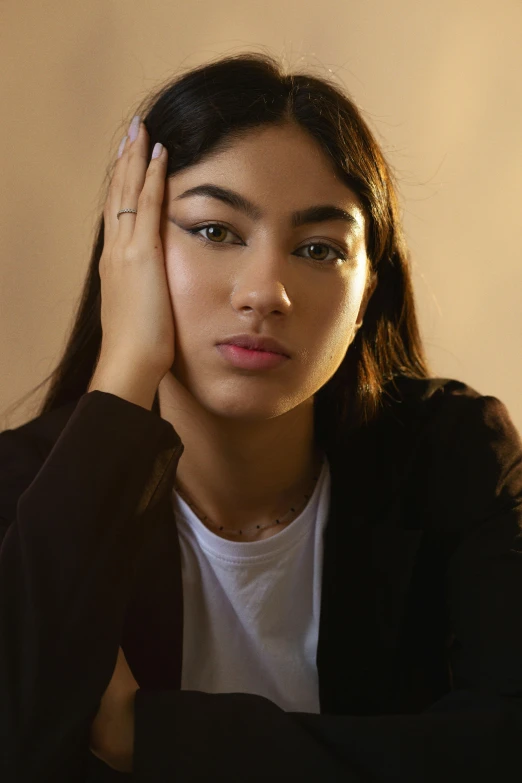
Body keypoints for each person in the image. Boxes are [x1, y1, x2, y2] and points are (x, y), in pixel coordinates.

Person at [1, 51, 521, 782]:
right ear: (130, 254)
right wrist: (123, 368)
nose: (263, 292)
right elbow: (17, 740)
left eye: (317, 248)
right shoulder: (22, 493)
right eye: (215, 231)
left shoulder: (458, 455)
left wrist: (146, 737)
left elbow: (504, 749)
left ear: (370, 289)